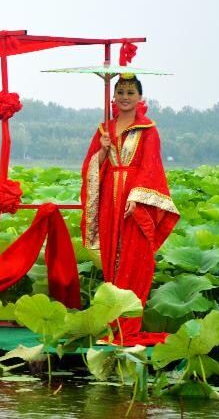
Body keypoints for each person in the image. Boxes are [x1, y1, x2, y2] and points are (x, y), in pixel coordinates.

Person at [81, 74, 179, 339]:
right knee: (112, 260)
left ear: (140, 98)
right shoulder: (104, 130)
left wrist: (137, 198)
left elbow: (152, 168)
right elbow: (90, 167)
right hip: (109, 204)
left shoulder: (148, 130)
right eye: (120, 92)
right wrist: (101, 151)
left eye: (130, 92)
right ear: (113, 97)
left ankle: (129, 325)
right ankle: (113, 324)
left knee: (134, 260)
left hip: (136, 204)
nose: (125, 97)